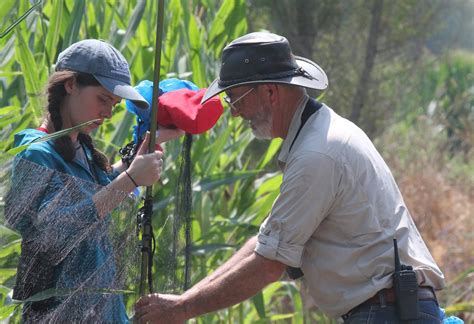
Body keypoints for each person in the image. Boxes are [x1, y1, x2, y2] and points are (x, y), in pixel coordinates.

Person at [134, 32, 447, 323]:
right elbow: (266, 244)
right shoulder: (317, 135)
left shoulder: (318, 154)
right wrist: (183, 300)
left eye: (237, 100)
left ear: (270, 92)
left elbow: (269, 265)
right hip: (386, 309)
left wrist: (183, 309)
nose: (235, 113)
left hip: (387, 312)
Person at [5, 39, 183, 323]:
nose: (107, 114)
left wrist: (142, 151)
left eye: (113, 105)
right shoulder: (37, 154)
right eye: (102, 99)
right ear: (71, 84)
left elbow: (97, 196)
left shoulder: (83, 151)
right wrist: (131, 178)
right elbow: (54, 233)